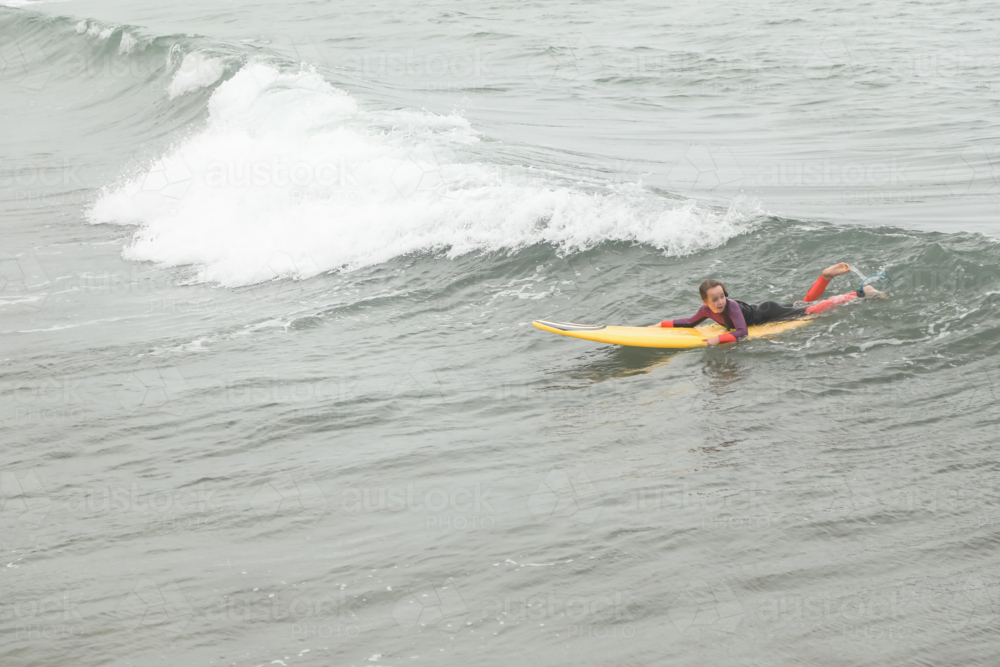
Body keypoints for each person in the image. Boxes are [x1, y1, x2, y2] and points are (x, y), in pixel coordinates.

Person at [651, 263, 886, 346]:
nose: (720, 301)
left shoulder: (731, 307)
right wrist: (660, 325)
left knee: (813, 309)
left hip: (768, 314)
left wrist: (717, 339)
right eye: (715, 299)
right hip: (764, 307)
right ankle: (825, 276)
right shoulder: (705, 311)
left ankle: (862, 292)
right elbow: (689, 323)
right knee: (805, 303)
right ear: (705, 302)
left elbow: (741, 333)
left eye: (722, 296)